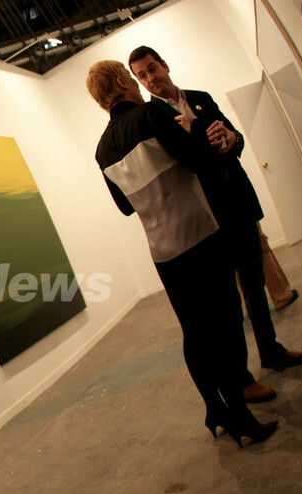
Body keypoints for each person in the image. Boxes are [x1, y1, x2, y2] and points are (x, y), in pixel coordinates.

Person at [87, 60, 278, 447]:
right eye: (133, 77)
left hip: (163, 252)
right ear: (122, 82)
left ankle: (215, 410)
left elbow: (125, 206)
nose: (140, 83)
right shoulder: (151, 113)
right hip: (200, 235)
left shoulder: (102, 149)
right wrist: (192, 131)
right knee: (223, 327)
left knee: (195, 332)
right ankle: (242, 419)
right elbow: (199, 160)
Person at [128, 46, 302, 404]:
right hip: (208, 219)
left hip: (238, 202)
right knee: (227, 306)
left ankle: (270, 350)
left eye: (152, 68)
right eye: (142, 76)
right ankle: (242, 379)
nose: (151, 79)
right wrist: (200, 135)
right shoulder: (154, 117)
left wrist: (231, 141)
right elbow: (187, 163)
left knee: (255, 283)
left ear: (165, 65)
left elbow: (232, 135)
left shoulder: (200, 97)